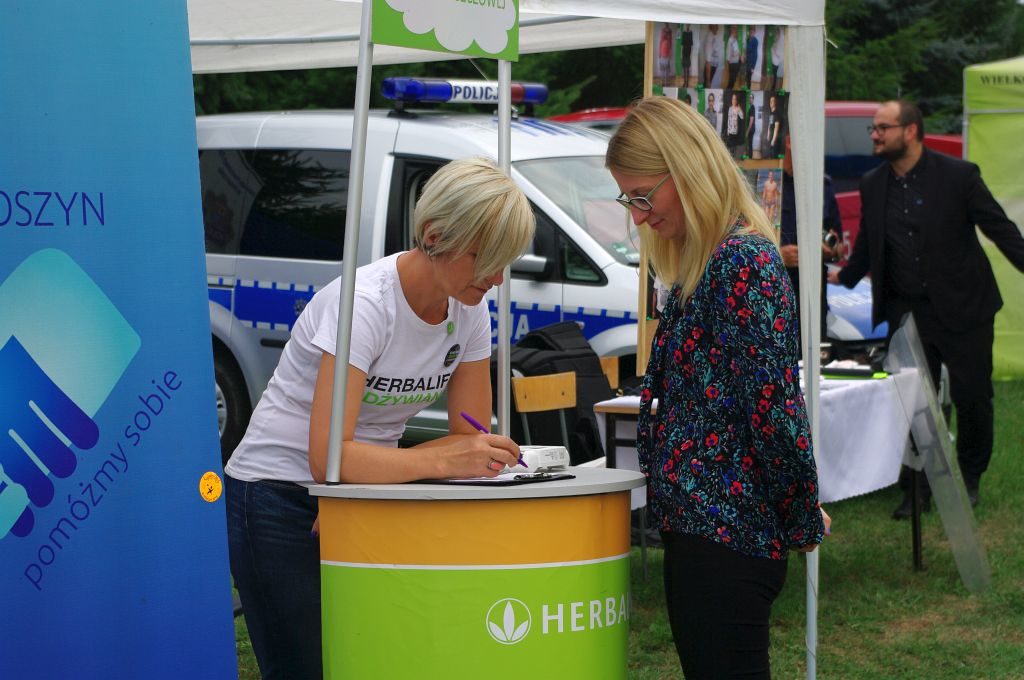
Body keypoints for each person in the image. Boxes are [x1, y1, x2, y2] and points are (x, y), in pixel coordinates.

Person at [224, 156, 536, 679]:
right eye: (485, 259)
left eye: (506, 262)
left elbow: (469, 440)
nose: (497, 278)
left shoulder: (470, 309)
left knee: (371, 660)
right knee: (309, 667)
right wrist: (436, 460)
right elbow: (329, 459)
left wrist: (393, 469)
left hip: (363, 493)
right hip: (276, 494)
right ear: (434, 235)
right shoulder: (365, 304)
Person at [607, 96, 829, 679]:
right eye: (627, 199)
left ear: (688, 171)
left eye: (643, 196)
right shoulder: (707, 262)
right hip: (706, 526)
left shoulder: (742, 263)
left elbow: (775, 411)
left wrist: (801, 513)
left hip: (729, 533)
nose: (638, 216)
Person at [828, 100, 1024, 515]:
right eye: (873, 128)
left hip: (964, 307)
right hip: (907, 312)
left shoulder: (959, 176)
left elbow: (999, 228)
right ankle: (918, 487)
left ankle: (969, 476)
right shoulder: (872, 182)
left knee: (972, 397)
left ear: (911, 131)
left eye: (882, 128)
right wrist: (841, 277)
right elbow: (869, 243)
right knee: (914, 401)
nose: (874, 135)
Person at [779, 136, 844, 342]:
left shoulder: (821, 185)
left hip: (813, 299)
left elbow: (839, 246)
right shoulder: (765, 182)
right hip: (773, 295)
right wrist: (778, 256)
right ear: (790, 141)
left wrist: (831, 249)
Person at [725, 91, 745, 158]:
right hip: (730, 131)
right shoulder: (730, 109)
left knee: (734, 147)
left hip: (736, 131)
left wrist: (740, 110)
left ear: (736, 100)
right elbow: (728, 120)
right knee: (729, 147)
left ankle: (733, 158)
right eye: (733, 99)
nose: (734, 100)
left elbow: (742, 117)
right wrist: (728, 130)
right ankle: (730, 157)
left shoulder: (737, 108)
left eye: (735, 99)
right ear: (731, 100)